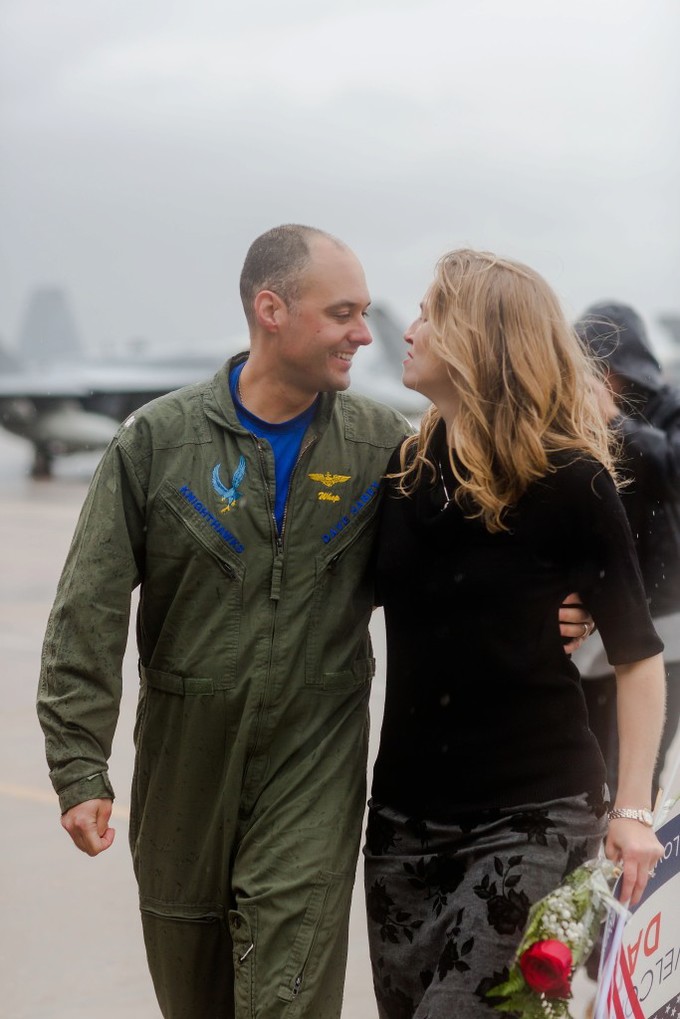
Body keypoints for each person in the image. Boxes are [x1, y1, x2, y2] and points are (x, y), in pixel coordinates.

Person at [36, 225, 594, 1019]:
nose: (365, 334)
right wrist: (78, 762)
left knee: (286, 995)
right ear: (272, 310)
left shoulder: (384, 450)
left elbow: (487, 543)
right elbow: (86, 608)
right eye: (343, 314)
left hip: (313, 767)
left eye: (365, 313)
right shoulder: (159, 442)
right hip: (184, 774)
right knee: (196, 994)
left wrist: (567, 600)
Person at [363, 249, 666, 1019]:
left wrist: (632, 812)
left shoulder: (571, 479)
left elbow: (638, 656)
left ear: (479, 335)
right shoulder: (403, 471)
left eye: (431, 309)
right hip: (400, 824)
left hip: (530, 814)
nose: (413, 324)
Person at [573, 301, 680, 806]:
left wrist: (613, 420)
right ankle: (592, 874)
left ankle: (627, 876)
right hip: (602, 608)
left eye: (601, 369)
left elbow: (672, 472)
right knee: (589, 765)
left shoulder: (671, 405)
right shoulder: (574, 416)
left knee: (639, 771)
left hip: (667, 615)